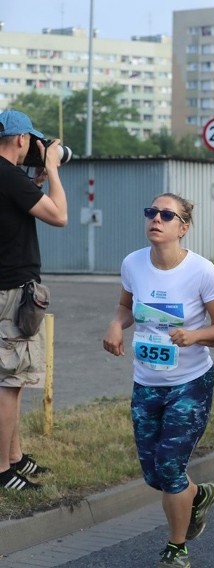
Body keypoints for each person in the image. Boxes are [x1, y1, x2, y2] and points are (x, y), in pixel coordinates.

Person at [102, 193, 214, 567]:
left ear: (183, 227)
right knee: (155, 474)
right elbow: (126, 307)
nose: (155, 219)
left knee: (171, 467)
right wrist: (115, 325)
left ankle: (177, 549)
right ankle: (197, 495)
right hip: (146, 382)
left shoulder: (201, 271)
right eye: (151, 213)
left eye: (166, 214)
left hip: (190, 382)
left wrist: (194, 336)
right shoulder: (133, 263)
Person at [0, 109, 68, 491]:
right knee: (10, 382)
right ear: (22, 139)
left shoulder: (11, 180)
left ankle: (15, 457)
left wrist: (37, 181)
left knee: (15, 377)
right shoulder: (8, 174)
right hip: (11, 293)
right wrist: (54, 170)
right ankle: (2, 472)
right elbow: (59, 216)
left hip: (7, 290)